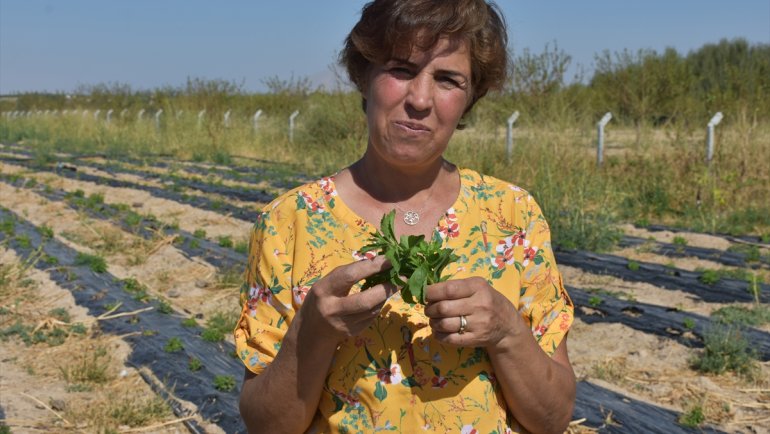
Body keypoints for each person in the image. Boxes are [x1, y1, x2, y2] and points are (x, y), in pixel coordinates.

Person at [235, 0, 576, 432]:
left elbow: (553, 418)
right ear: (365, 77)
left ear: (471, 97)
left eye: (448, 79)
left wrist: (507, 332)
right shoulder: (289, 223)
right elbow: (265, 425)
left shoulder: (512, 216)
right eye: (401, 69)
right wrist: (314, 332)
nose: (420, 99)